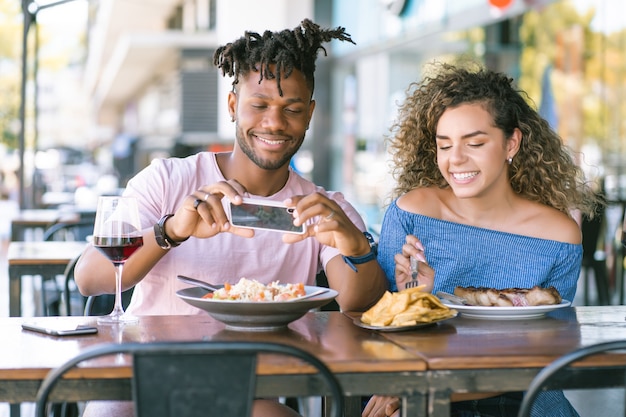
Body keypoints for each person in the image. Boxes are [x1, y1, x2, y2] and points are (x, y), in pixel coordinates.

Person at [74, 19, 387, 417]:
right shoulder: (168, 178)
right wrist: (172, 230)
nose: (275, 123)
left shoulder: (323, 206)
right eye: (260, 106)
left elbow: (358, 306)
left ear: (309, 114)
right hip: (144, 374)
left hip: (249, 388)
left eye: (291, 109)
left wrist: (357, 247)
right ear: (234, 105)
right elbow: (88, 277)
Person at [363, 62, 602, 417]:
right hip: (423, 389)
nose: (455, 159)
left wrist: (427, 393)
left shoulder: (559, 235)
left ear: (512, 143)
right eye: (444, 146)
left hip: (523, 397)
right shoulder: (412, 213)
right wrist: (417, 300)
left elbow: (546, 354)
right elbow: (376, 332)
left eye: (474, 143)